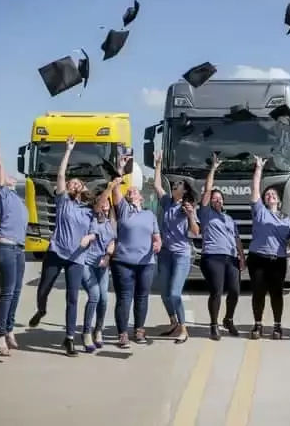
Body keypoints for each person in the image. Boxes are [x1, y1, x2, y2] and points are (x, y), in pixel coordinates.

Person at [28, 136, 93, 356]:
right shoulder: (63, 201)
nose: (73, 184)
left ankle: (69, 338)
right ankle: (41, 309)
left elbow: (96, 230)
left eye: (78, 183)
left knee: (72, 297)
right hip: (56, 252)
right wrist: (68, 150)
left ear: (83, 189)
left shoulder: (88, 210)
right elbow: (61, 175)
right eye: (71, 183)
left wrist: (90, 238)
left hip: (76, 257)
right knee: (44, 287)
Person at [110, 154, 161, 348]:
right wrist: (120, 169)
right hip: (123, 261)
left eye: (134, 191)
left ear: (141, 196)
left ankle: (139, 330)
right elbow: (115, 188)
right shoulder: (123, 209)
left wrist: (157, 244)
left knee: (142, 297)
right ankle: (122, 333)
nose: (131, 191)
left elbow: (156, 236)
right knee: (125, 297)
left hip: (146, 263)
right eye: (129, 190)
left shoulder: (149, 215)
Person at [0, 127, 27, 356]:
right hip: (5, 248)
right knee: (8, 292)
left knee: (17, 291)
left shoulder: (15, 198)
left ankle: (9, 328)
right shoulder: (2, 193)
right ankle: (0, 334)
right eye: (3, 177)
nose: (9, 175)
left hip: (18, 250)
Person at [198, 153, 246, 341]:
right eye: (215, 199)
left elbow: (236, 238)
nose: (218, 200)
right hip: (213, 256)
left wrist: (241, 256)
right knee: (217, 291)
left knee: (235, 290)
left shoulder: (229, 218)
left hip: (231, 258)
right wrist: (213, 170)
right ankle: (213, 324)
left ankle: (228, 319)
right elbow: (208, 190)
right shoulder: (206, 214)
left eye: (220, 199)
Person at [247, 155, 290, 340]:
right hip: (258, 258)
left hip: (278, 261)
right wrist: (258, 169)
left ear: (279, 201)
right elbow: (255, 190)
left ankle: (277, 326)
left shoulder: (285, 219)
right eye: (267, 194)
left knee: (276, 294)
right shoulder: (259, 211)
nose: (270, 196)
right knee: (258, 293)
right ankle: (258, 325)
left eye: (273, 195)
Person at [152, 151, 199, 344]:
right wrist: (158, 164)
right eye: (175, 184)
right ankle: (172, 321)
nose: (175, 185)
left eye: (179, 184)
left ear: (185, 190)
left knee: (174, 293)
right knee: (164, 293)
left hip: (181, 254)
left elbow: (196, 232)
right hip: (165, 253)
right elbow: (156, 185)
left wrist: (189, 216)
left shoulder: (187, 207)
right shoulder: (166, 202)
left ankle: (184, 328)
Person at [78, 185, 117, 352]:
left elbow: (112, 242)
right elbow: (92, 234)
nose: (105, 204)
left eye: (107, 202)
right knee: (94, 295)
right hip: (87, 263)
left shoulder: (111, 223)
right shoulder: (91, 217)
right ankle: (86, 332)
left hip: (102, 265)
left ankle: (98, 329)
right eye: (102, 202)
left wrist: (108, 257)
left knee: (104, 299)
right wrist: (88, 238)